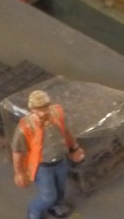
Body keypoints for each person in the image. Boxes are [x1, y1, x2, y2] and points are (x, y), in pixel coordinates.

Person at [12, 89, 85, 219]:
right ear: (31, 110)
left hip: (60, 160)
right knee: (48, 197)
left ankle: (55, 206)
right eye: (38, 110)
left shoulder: (57, 114)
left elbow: (67, 131)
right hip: (42, 167)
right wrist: (19, 172)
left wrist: (75, 148)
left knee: (61, 188)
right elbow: (18, 151)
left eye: (45, 109)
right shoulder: (26, 127)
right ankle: (35, 210)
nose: (42, 113)